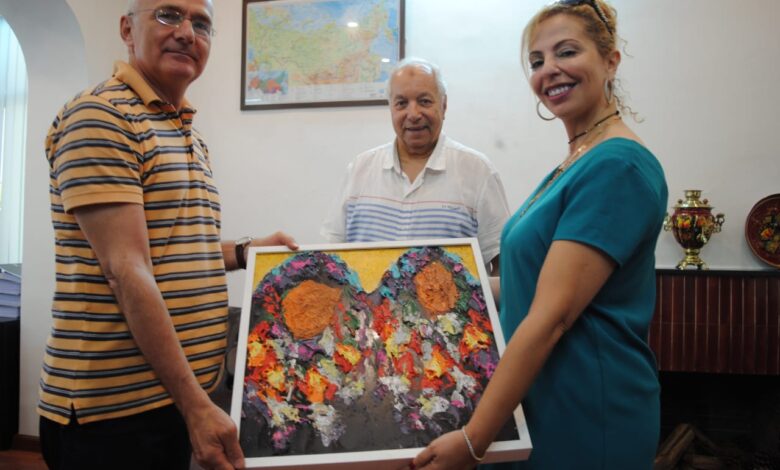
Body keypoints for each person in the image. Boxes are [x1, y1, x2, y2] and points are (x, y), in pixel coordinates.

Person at [37, 1, 297, 469]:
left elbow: (173, 250)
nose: (187, 33)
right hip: (115, 415)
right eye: (168, 15)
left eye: (201, 24)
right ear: (127, 29)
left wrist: (246, 251)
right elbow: (126, 269)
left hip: (172, 401)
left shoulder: (188, 132)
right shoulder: (100, 116)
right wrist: (196, 405)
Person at [412, 1, 668, 469]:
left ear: (610, 60)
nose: (549, 69)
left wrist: (473, 440)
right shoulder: (576, 161)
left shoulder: (617, 166)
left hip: (587, 409)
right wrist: (438, 287)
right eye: (536, 60)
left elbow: (551, 316)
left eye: (566, 52)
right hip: (539, 403)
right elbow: (529, 282)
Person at [320, 57, 510, 274]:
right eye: (401, 103)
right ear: (391, 108)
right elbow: (331, 256)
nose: (413, 114)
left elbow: (503, 264)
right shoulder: (360, 169)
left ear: (444, 105)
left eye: (425, 101)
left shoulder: (478, 171)